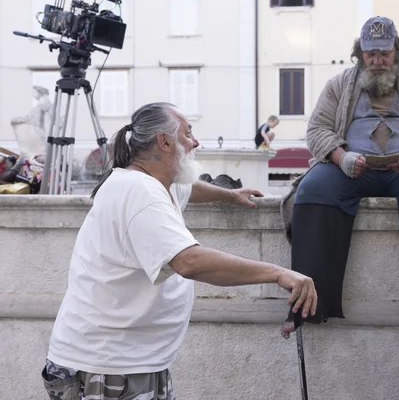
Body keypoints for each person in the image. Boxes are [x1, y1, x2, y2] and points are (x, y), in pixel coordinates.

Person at [42, 103, 317, 400]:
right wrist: (278, 272)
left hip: (124, 362)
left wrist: (230, 195)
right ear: (164, 141)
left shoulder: (154, 183)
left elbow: (191, 188)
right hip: (108, 367)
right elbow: (189, 261)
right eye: (188, 133)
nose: (195, 141)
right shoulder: (140, 192)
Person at [279, 16, 399, 341]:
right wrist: (341, 157)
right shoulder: (339, 84)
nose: (378, 61)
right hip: (351, 169)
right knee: (310, 193)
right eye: (370, 54)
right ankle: (305, 306)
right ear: (359, 53)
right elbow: (317, 129)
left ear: (398, 51)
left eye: (384, 53)